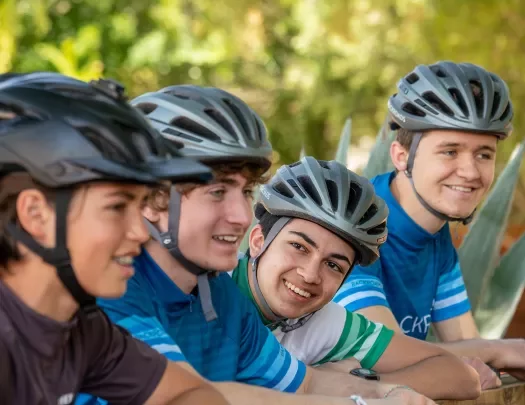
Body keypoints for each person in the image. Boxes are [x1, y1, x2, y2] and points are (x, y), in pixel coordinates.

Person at [77, 85, 441, 405]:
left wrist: (385, 393)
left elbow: (304, 384)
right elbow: (190, 397)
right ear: (152, 200)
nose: (240, 214)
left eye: (246, 191)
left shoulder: (220, 295)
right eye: (218, 191)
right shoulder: (110, 289)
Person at [0, 72, 230, 405]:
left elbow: (192, 393)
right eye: (117, 206)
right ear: (36, 214)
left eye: (140, 205)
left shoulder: (82, 330)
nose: (139, 232)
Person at [333, 61, 525, 384]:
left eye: (484, 155)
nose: (470, 171)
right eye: (450, 152)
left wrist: (489, 359)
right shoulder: (351, 227)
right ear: (400, 156)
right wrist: (503, 351)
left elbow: (464, 343)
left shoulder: (435, 235)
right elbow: (390, 356)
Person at [231, 155, 483, 400]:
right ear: (258, 241)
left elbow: (462, 377)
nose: (310, 275)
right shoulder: (209, 294)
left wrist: (359, 384)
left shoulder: (325, 322)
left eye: (332, 265)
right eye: (299, 247)